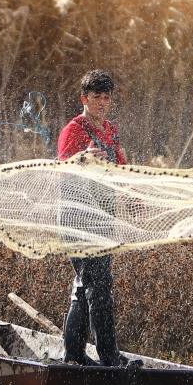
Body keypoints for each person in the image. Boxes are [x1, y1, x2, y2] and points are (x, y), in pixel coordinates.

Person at [56, 70, 133, 367]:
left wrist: (133, 195)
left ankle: (74, 356)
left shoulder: (111, 130)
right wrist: (82, 159)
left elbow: (122, 168)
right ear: (84, 99)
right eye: (96, 97)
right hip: (77, 218)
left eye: (106, 97)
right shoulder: (74, 130)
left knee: (85, 285)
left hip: (103, 217)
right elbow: (63, 169)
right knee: (99, 287)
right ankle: (109, 356)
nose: (102, 103)